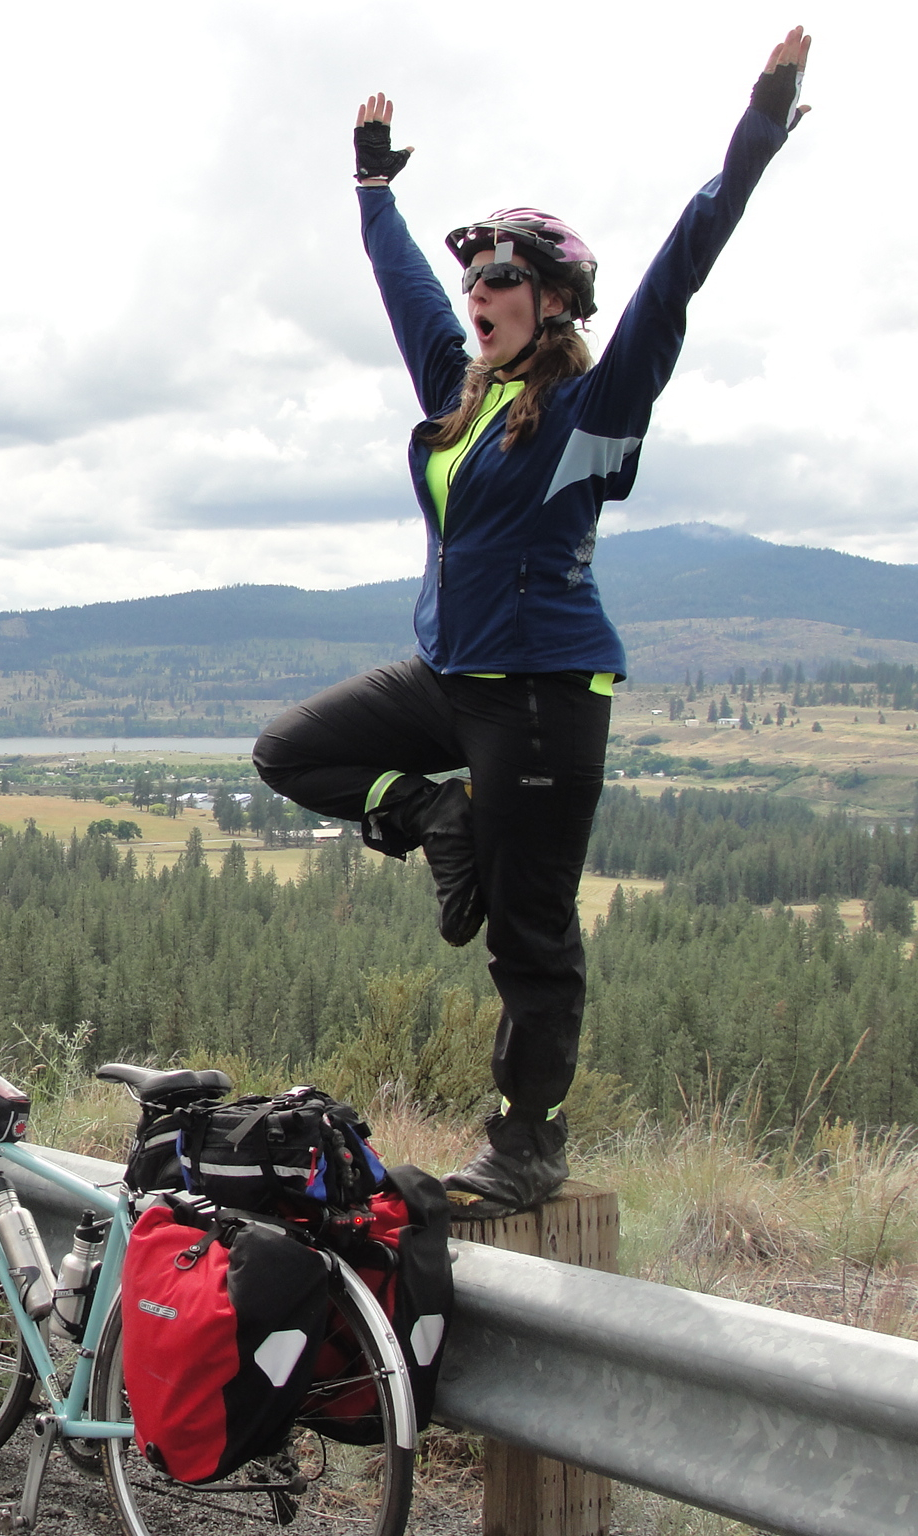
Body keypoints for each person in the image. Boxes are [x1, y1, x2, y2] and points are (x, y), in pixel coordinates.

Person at [251, 29, 813, 1217]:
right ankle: (435, 817)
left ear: (551, 300)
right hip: (449, 675)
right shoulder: (459, 393)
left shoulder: (593, 406)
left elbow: (681, 267)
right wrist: (369, 192)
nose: (474, 298)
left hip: (546, 696)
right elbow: (406, 290)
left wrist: (756, 127)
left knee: (527, 932)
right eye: (473, 285)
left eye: (498, 282)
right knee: (288, 750)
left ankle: (526, 1144)